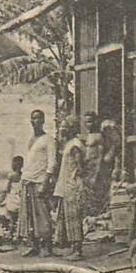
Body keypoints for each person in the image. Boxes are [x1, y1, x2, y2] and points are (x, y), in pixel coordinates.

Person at [17, 110, 56, 257]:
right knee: (29, 216)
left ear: (43, 120)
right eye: (33, 118)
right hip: (28, 180)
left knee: (42, 215)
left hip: (39, 181)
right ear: (31, 121)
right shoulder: (31, 139)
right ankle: (33, 245)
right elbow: (29, 163)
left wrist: (45, 182)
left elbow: (52, 163)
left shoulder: (48, 140)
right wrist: (22, 181)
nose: (36, 121)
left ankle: (47, 246)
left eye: (39, 118)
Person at [53, 116, 87, 260]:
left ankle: (78, 251)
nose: (62, 129)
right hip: (67, 184)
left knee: (74, 217)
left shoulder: (75, 145)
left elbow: (80, 167)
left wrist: (75, 182)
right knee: (68, 217)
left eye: (65, 126)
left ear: (72, 128)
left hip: (72, 185)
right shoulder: (69, 144)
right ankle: (72, 248)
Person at [0, 155, 23, 232]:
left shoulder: (11, 176)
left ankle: (9, 231)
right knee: (18, 218)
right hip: (20, 199)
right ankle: (16, 232)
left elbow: (6, 190)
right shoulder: (23, 176)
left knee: (9, 216)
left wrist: (0, 201)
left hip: (12, 199)